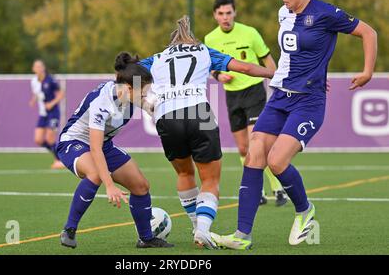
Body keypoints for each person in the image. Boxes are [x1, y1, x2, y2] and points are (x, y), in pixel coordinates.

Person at [212, 0, 377, 250]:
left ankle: (305, 210)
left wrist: (366, 71)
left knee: (276, 161)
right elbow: (291, 55)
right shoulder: (283, 13)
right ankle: (241, 236)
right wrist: (298, 73)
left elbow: (368, 32)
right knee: (254, 154)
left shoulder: (326, 13)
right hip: (279, 96)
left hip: (309, 102)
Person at [139, 15, 275, 249]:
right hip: (198, 113)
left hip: (166, 115)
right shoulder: (203, 51)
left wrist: (147, 105)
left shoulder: (157, 58)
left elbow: (127, 78)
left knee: (184, 174)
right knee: (210, 179)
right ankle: (202, 230)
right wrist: (277, 74)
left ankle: (195, 226)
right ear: (192, 40)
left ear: (171, 44)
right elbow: (244, 67)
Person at [57, 53, 173, 249]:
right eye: (143, 93)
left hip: (104, 145)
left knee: (141, 185)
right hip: (74, 142)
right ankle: (69, 229)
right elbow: (95, 148)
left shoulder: (129, 92)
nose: (144, 96)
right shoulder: (102, 103)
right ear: (129, 88)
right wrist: (109, 185)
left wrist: (165, 114)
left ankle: (146, 238)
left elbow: (148, 106)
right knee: (95, 174)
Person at [205, 0, 287, 206]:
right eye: (221, 13)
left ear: (235, 13)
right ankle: (258, 191)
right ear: (215, 15)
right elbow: (212, 66)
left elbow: (266, 59)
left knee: (256, 144)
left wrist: (277, 81)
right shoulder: (210, 39)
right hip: (232, 95)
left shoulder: (249, 33)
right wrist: (218, 75)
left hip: (253, 92)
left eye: (229, 13)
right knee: (242, 148)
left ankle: (277, 189)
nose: (225, 17)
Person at [29, 59, 65, 169]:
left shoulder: (50, 80)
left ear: (43, 68)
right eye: (36, 66)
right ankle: (59, 155)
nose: (38, 68)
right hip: (43, 114)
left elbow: (61, 94)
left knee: (50, 138)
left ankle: (59, 160)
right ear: (33, 69)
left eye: (40, 66)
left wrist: (52, 103)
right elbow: (36, 93)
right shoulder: (34, 81)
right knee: (38, 140)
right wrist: (33, 100)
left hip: (53, 113)